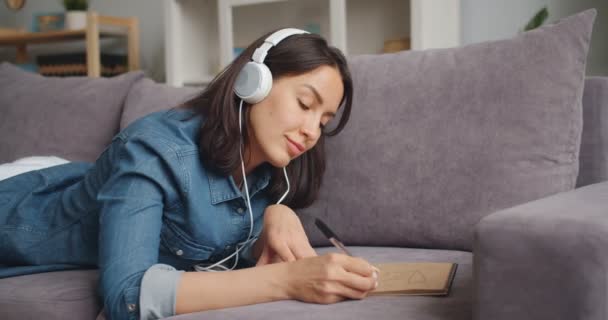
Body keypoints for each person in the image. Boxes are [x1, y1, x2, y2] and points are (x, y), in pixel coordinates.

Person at [0, 28, 378, 320]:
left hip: (69, 176)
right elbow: (126, 297)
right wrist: (286, 282)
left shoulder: (267, 172)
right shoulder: (154, 151)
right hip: (20, 212)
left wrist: (276, 217)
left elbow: (223, 247)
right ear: (254, 83)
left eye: (323, 120)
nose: (313, 131)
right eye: (304, 103)